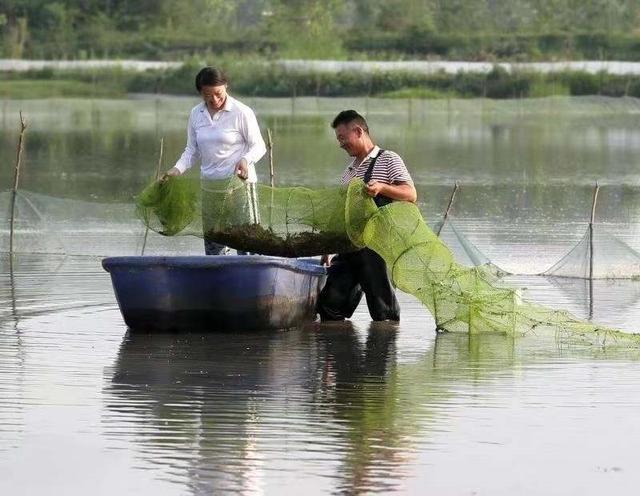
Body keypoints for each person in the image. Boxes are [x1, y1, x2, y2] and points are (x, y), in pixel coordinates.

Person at [317, 110, 417, 322]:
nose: (340, 144)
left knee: (383, 312)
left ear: (358, 131)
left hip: (376, 246)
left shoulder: (388, 159)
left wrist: (381, 187)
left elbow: (410, 194)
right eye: (338, 139)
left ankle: (385, 344)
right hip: (349, 247)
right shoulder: (348, 172)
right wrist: (326, 248)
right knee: (329, 305)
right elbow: (339, 214)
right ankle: (340, 348)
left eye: (342, 138)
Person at [164, 66, 266, 255]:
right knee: (214, 246)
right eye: (207, 95)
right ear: (200, 93)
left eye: (218, 93)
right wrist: (176, 170)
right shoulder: (196, 114)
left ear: (226, 86)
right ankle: (219, 281)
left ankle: (250, 281)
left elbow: (259, 146)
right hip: (211, 187)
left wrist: (245, 160)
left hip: (240, 186)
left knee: (247, 243)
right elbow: (192, 150)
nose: (214, 100)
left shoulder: (241, 112)